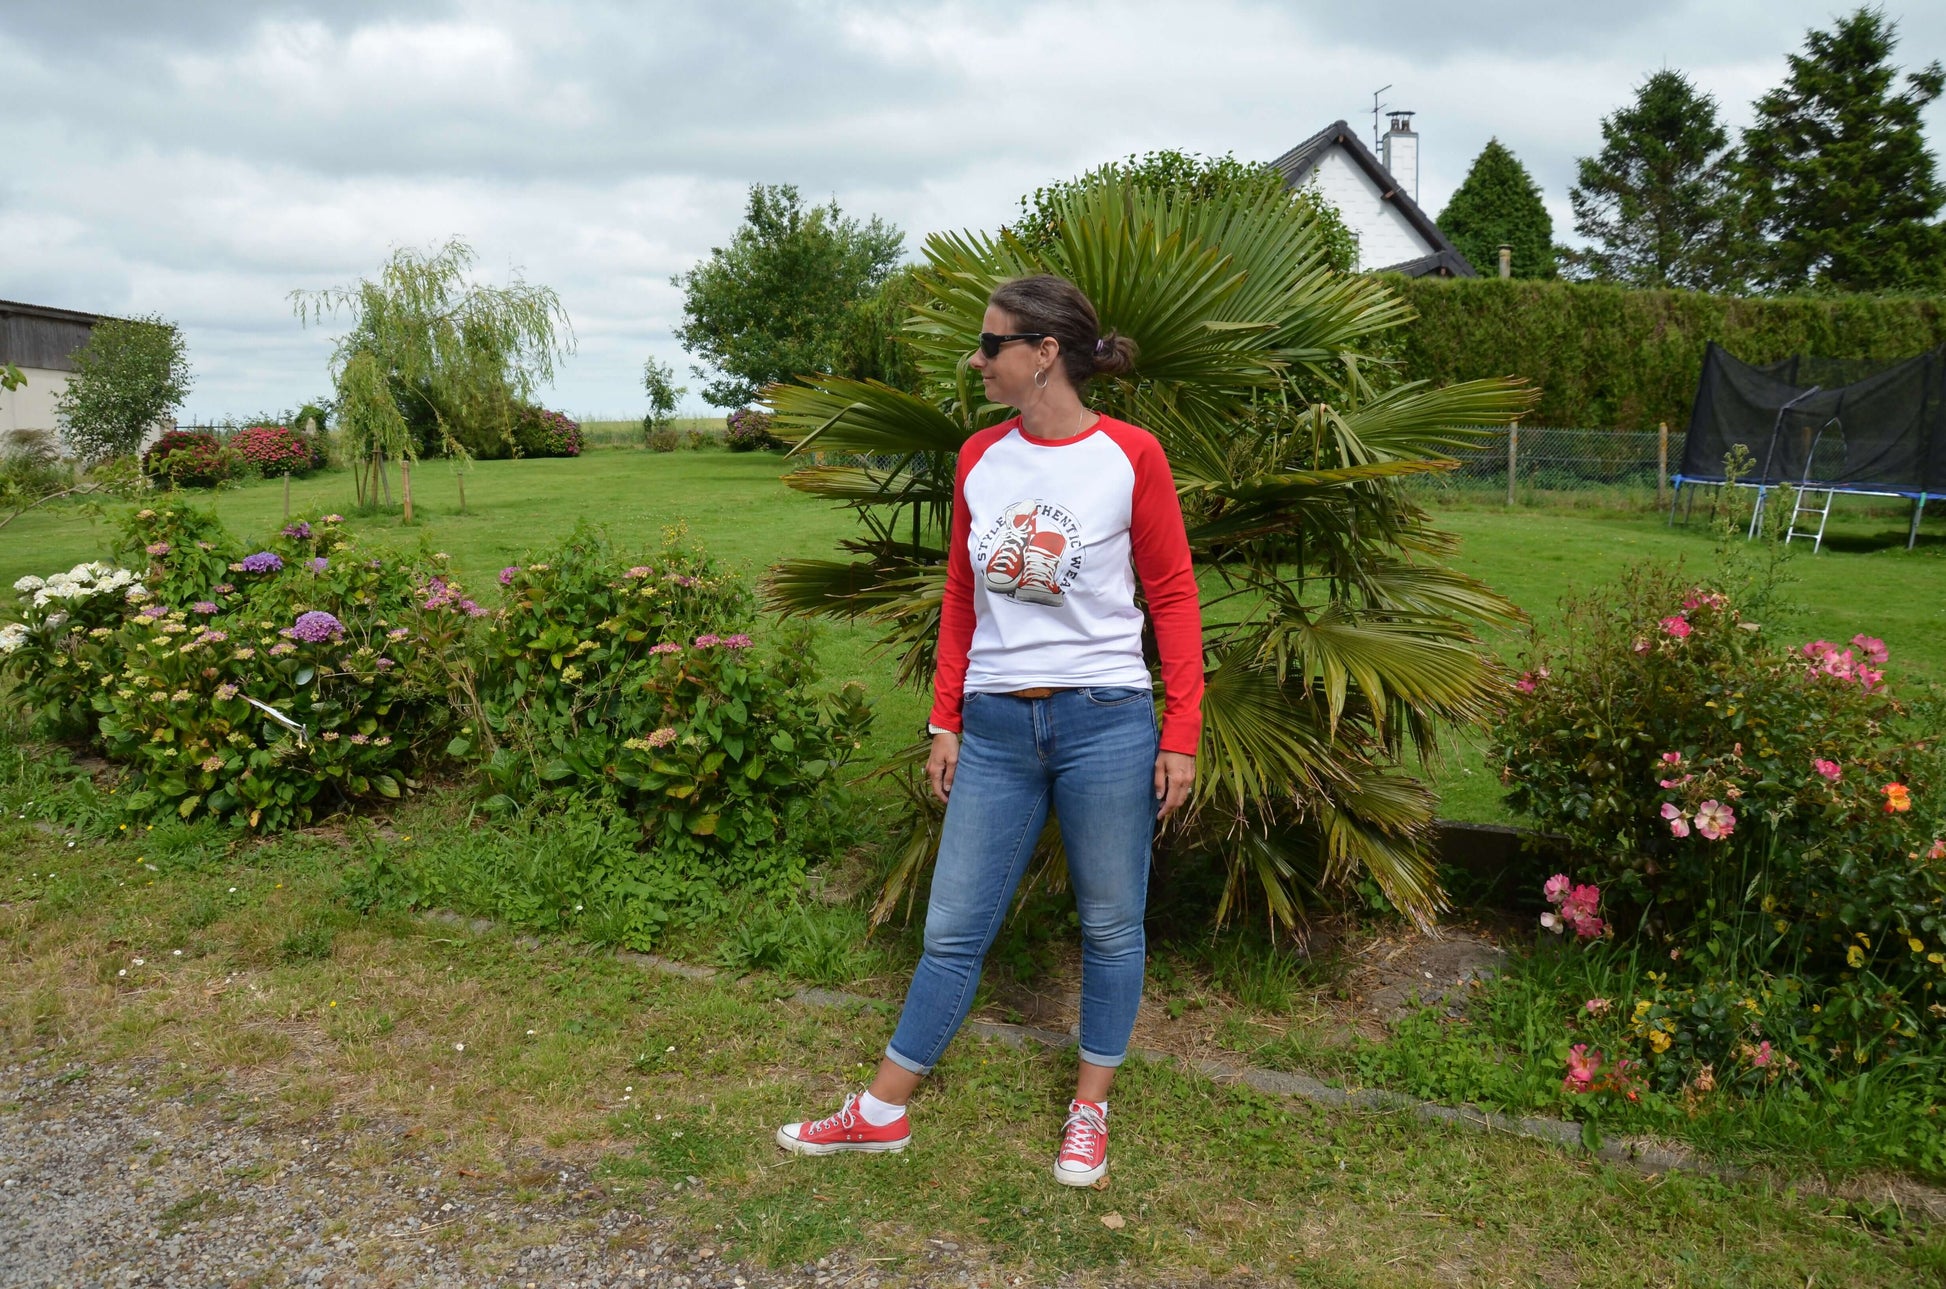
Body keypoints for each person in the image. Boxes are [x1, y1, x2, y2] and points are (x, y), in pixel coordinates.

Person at [775, 274, 1203, 1186]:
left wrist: (1182, 731)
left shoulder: (1132, 456)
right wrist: (944, 718)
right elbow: (963, 596)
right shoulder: (978, 458)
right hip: (998, 726)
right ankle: (884, 1110)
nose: (977, 358)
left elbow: (1171, 596)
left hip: (1108, 722)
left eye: (991, 342)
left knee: (1112, 926)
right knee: (954, 926)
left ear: (1044, 354)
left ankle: (1090, 1109)